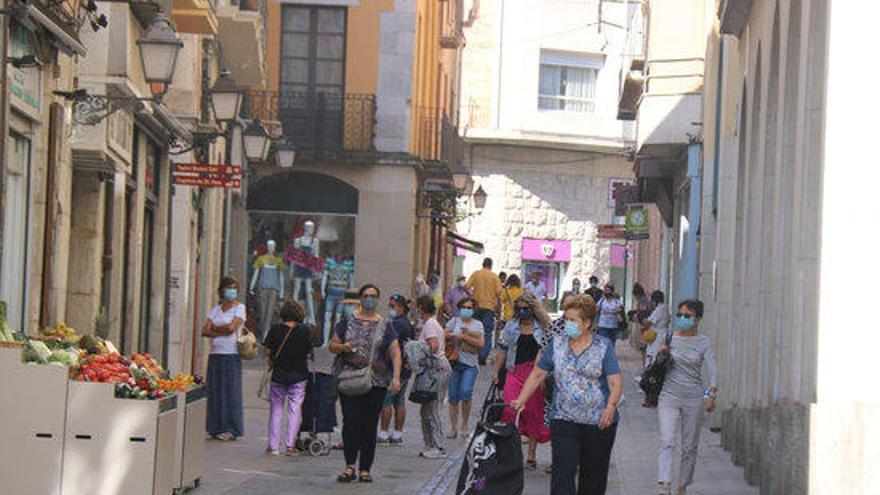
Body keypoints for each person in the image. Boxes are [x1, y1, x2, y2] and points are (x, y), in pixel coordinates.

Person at [512, 294, 623, 495]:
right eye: (566, 319)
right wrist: (521, 399)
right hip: (564, 418)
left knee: (593, 478)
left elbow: (615, 381)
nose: (567, 324)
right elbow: (538, 374)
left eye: (573, 320)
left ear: (587, 323)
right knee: (562, 474)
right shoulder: (557, 345)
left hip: (599, 422)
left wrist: (610, 406)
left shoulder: (603, 346)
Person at [329, 284, 402, 483]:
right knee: (351, 422)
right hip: (350, 379)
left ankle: (365, 469)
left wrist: (396, 377)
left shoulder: (386, 324)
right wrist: (343, 346)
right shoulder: (348, 320)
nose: (369, 299)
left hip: (375, 382)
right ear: (360, 298)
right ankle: (350, 465)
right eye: (366, 295)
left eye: (373, 296)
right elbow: (332, 346)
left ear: (378, 299)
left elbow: (395, 352)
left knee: (369, 425)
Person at [656, 300, 717, 495]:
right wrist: (661, 354)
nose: (682, 319)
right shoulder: (670, 338)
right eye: (680, 315)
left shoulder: (704, 342)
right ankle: (664, 484)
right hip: (669, 396)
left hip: (693, 398)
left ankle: (682, 485)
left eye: (687, 316)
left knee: (689, 446)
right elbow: (658, 364)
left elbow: (712, 370)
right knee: (667, 440)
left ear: (698, 319)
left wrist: (710, 395)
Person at [494, 292, 551, 470]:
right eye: (518, 308)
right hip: (514, 371)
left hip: (535, 374)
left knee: (533, 413)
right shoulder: (511, 326)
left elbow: (548, 353)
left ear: (532, 309)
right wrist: (496, 371)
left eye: (525, 309)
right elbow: (502, 349)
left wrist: (545, 375)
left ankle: (531, 454)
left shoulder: (542, 327)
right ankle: (512, 451)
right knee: (510, 410)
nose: (521, 312)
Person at [262, 300, 313, 456]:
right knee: (295, 408)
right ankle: (290, 445)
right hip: (298, 375)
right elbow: (309, 353)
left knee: (276, 409)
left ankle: (273, 446)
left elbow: (266, 351)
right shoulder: (305, 331)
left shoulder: (275, 329)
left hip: (279, 374)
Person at [203, 276, 247, 441]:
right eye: (229, 287)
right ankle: (215, 427)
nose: (232, 291)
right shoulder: (215, 310)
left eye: (234, 288)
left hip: (231, 354)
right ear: (221, 290)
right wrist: (218, 330)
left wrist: (215, 328)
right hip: (215, 354)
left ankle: (231, 428)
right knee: (215, 391)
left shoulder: (239, 308)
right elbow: (204, 331)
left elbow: (231, 328)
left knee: (231, 392)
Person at [414, 295, 453, 458]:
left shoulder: (429, 324)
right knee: (425, 409)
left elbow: (434, 346)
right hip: (437, 367)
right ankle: (429, 443)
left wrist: (417, 355)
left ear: (421, 308)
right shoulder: (433, 323)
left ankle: (439, 446)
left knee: (432, 408)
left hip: (435, 368)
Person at [444, 297, 485, 439]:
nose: (466, 310)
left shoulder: (478, 325)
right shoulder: (454, 321)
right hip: (454, 363)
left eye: (469, 308)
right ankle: (453, 427)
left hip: (470, 364)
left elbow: (481, 344)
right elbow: (443, 334)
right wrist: (451, 335)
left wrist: (465, 336)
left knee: (466, 392)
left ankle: (465, 425)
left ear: (473, 310)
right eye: (464, 307)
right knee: (453, 396)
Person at [378, 294, 416, 445]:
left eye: (393, 306)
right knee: (399, 401)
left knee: (387, 400)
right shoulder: (406, 323)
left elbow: (390, 347)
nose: (390, 309)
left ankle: (383, 433)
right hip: (405, 369)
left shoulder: (396, 324)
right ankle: (397, 434)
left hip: (394, 368)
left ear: (401, 308)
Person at [466, 258, 502, 365]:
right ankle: (482, 356)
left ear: (483, 264)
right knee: (487, 332)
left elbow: (466, 287)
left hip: (476, 307)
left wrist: (471, 297)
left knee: (475, 330)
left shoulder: (476, 274)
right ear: (491, 265)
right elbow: (499, 294)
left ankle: (473, 354)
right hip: (489, 308)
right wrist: (498, 309)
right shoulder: (494, 277)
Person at [643, 290, 670, 367]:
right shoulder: (665, 308)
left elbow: (649, 322)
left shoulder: (659, 310)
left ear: (654, 300)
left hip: (657, 336)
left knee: (653, 355)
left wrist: (644, 320)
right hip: (662, 334)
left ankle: (650, 373)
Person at [628, 283, 653, 358]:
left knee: (644, 346)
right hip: (645, 324)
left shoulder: (642, 300)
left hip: (645, 325)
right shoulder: (645, 299)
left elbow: (643, 313)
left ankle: (645, 364)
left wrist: (637, 316)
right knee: (644, 345)